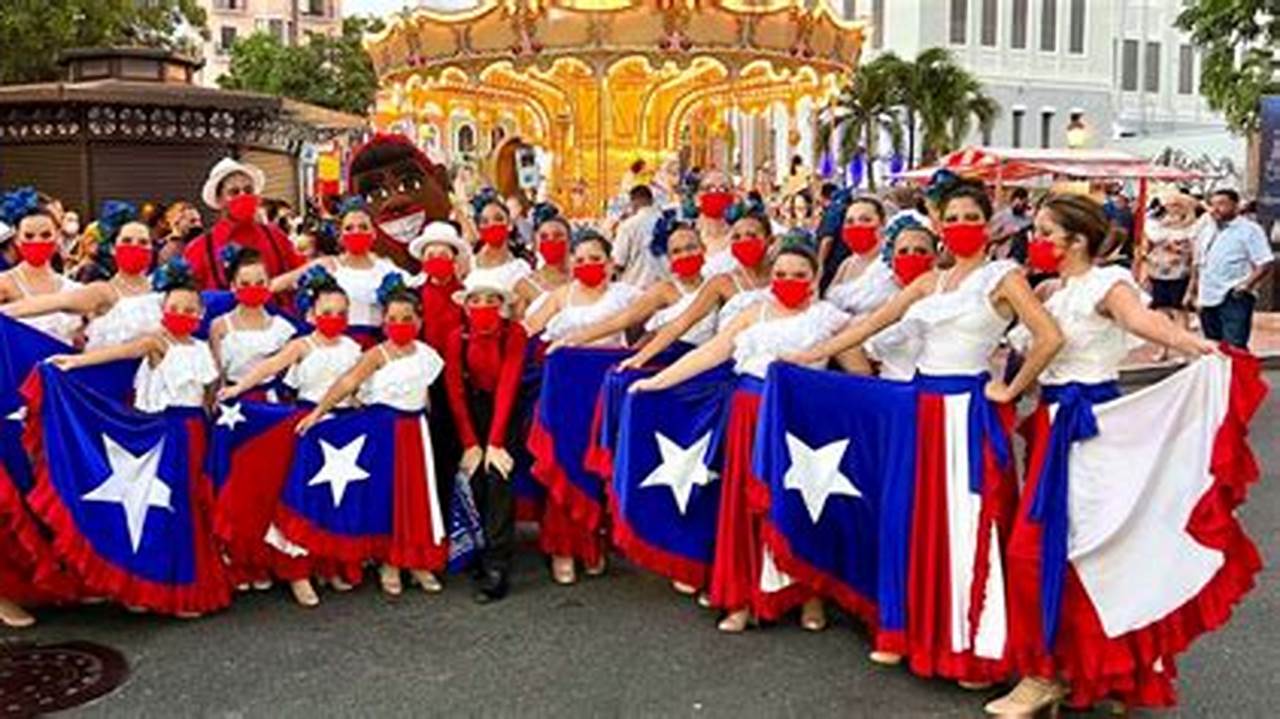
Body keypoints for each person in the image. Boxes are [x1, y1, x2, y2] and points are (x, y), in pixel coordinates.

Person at [786, 176, 1063, 684]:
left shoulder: (1002, 276)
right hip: (920, 406)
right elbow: (867, 327)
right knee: (916, 517)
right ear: (938, 226)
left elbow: (1048, 336)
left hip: (967, 412)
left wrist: (1010, 388)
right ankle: (910, 629)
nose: (960, 227)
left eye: (971, 219)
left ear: (990, 224)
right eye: (952, 219)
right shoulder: (926, 282)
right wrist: (805, 356)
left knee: (968, 520)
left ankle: (973, 644)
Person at [989, 195, 1231, 716]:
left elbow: (1145, 323)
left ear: (1076, 241)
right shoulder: (1052, 289)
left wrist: (1199, 348)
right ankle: (1062, 670)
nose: (1037, 239)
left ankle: (1058, 674)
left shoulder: (1108, 285)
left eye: (1046, 231)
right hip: (1052, 424)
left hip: (1090, 426)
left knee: (1074, 547)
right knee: (1058, 549)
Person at [631, 243, 850, 633]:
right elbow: (712, 352)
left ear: (814, 279)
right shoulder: (753, 314)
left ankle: (808, 595)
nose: (788, 281)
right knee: (744, 506)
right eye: (780, 274)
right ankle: (742, 597)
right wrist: (655, 379)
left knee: (802, 501)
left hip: (800, 419)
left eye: (799, 275)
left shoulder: (831, 319)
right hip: (749, 415)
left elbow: (858, 374)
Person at [47, 260, 229, 616]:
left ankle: (186, 584)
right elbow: (118, 353)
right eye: (174, 308)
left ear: (200, 312)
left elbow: (208, 394)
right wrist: (74, 364)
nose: (181, 314)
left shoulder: (203, 347)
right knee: (159, 506)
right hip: (163, 432)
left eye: (189, 310)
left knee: (189, 508)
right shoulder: (155, 341)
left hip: (195, 433)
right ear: (163, 310)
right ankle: (149, 584)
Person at [293, 275, 448, 597]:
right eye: (391, 319)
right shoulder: (377, 354)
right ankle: (389, 562)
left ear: (419, 321)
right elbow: (348, 383)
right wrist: (318, 412)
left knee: (417, 497)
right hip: (384, 432)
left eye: (407, 319)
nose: (399, 325)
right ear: (383, 322)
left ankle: (418, 562)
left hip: (415, 431)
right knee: (389, 496)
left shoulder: (428, 355)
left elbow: (427, 395)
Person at [218, 267, 363, 607]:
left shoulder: (355, 346)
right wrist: (239, 387)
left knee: (333, 499)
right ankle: (297, 571)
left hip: (342, 429)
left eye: (341, 313)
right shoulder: (302, 344)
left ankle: (330, 563)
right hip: (306, 426)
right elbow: (269, 367)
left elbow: (360, 384)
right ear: (311, 314)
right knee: (300, 499)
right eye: (326, 313)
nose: (334, 318)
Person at [524, 230, 642, 583]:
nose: (588, 265)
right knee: (566, 459)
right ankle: (563, 547)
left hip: (606, 389)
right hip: (566, 389)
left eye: (596, 259)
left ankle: (595, 543)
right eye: (581, 259)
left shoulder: (626, 295)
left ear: (610, 263)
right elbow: (526, 330)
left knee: (600, 463)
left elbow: (663, 320)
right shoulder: (559, 296)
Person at [443, 270, 529, 603]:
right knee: (473, 477)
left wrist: (494, 443)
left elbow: (508, 384)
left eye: (491, 300)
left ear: (502, 306)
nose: (483, 306)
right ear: (465, 306)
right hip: (471, 411)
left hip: (504, 413)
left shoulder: (514, 333)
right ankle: (476, 547)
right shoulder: (457, 337)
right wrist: (470, 442)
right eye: (475, 300)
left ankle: (498, 563)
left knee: (498, 478)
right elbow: (455, 389)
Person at [618, 206, 774, 370]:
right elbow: (681, 323)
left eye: (751, 236)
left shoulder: (785, 275)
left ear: (769, 240)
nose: (744, 241)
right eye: (737, 237)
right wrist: (641, 356)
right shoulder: (721, 282)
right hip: (734, 367)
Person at [552, 213, 714, 351]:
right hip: (673, 363)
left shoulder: (718, 284)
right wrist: (571, 340)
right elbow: (622, 320)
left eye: (691, 248)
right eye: (676, 251)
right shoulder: (662, 290)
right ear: (669, 259)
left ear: (703, 249)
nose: (685, 255)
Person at [2, 219, 162, 351]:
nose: (135, 247)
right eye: (127, 241)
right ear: (113, 247)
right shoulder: (100, 290)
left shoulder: (163, 289)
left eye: (143, 242)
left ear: (152, 247)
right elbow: (54, 302)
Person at [273, 204, 406, 348]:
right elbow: (275, 285)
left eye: (363, 227)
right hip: (330, 346)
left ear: (374, 233)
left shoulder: (387, 269)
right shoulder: (326, 265)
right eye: (349, 228)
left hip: (371, 345)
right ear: (341, 236)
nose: (356, 232)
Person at [185, 158, 304, 290]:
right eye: (234, 192)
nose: (243, 196)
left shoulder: (275, 236)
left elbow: (300, 273)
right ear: (219, 200)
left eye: (248, 190)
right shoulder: (199, 248)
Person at [1190, 189, 1274, 349]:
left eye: (1222, 204)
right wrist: (1193, 291)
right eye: (1213, 205)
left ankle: (1239, 374)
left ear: (1236, 206)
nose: (1216, 209)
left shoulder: (1249, 229)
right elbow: (1198, 262)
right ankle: (1220, 374)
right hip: (1208, 295)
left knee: (1235, 345)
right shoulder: (1207, 229)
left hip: (1233, 295)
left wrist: (1246, 285)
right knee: (1213, 346)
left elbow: (1265, 262)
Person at [210, 246, 295, 400]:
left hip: (270, 401)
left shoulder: (282, 328)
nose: (253, 288)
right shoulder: (220, 326)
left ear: (269, 284)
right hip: (232, 401)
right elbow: (218, 373)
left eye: (260, 283)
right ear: (233, 286)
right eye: (245, 284)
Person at [0, 196, 83, 344]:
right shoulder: (4, 283)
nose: (37, 241)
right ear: (17, 239)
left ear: (57, 236)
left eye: (45, 235)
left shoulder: (73, 288)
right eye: (29, 236)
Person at [1139, 193, 1208, 358]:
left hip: (1180, 275)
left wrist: (1194, 282)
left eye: (1176, 205)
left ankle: (1185, 349)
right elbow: (1146, 249)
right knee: (1161, 314)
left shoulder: (1192, 228)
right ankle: (1163, 349)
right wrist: (1145, 270)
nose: (1171, 208)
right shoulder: (1156, 226)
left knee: (1179, 313)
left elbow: (1194, 256)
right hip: (1158, 273)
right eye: (1169, 204)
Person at [409, 221, 470, 353]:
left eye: (443, 255)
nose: (437, 259)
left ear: (454, 258)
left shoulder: (467, 294)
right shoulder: (414, 296)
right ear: (422, 260)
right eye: (430, 255)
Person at [512, 205, 571, 318]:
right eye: (544, 237)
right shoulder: (525, 285)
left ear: (569, 241)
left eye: (558, 235)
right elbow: (517, 329)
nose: (551, 241)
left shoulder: (582, 280)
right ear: (537, 243)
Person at [611, 185, 664, 289]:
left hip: (635, 288)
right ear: (652, 200)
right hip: (663, 288)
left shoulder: (628, 225)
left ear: (633, 202)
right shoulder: (667, 223)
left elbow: (619, 261)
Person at [155, 202, 205, 267]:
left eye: (199, 220)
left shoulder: (198, 246)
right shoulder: (168, 251)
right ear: (177, 222)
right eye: (192, 221)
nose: (198, 224)